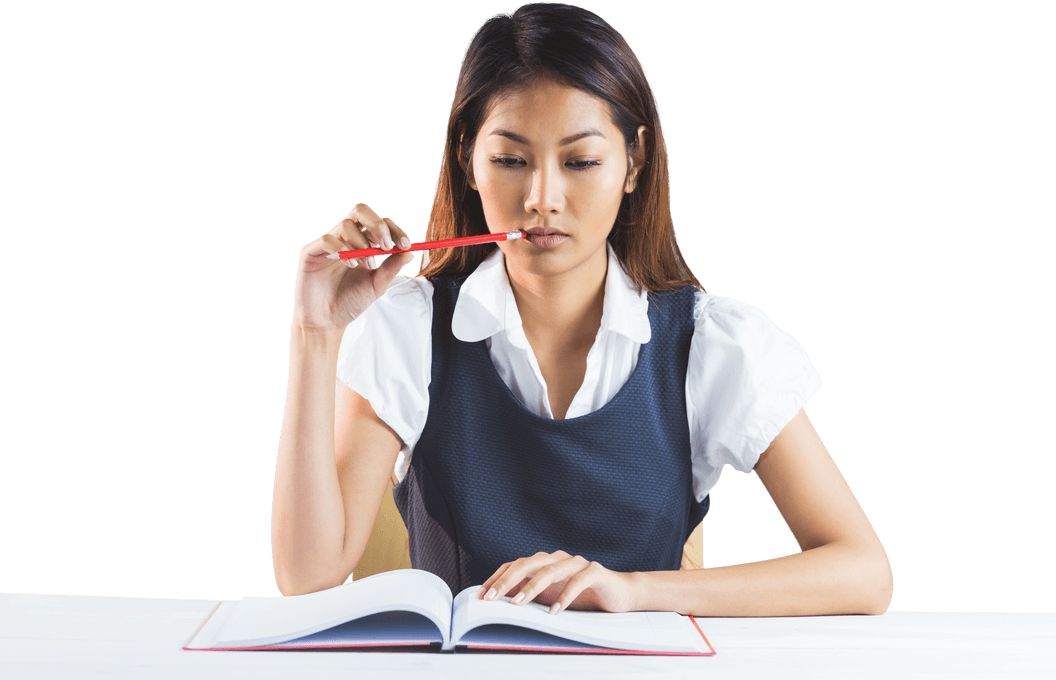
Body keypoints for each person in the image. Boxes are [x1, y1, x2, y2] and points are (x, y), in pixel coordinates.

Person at [271, 1, 894, 617]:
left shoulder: (710, 344)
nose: (542, 198)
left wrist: (635, 590)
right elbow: (308, 578)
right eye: (511, 161)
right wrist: (314, 331)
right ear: (468, 159)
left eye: (581, 161)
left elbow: (862, 570)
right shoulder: (407, 328)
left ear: (635, 163)